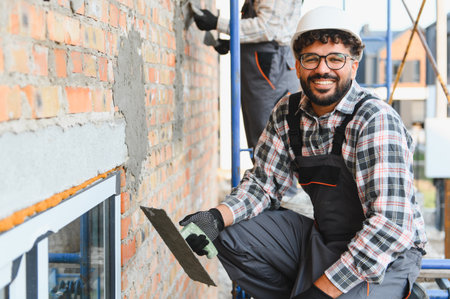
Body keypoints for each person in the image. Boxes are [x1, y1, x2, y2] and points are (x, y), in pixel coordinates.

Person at [180, 6, 427, 299]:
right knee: (230, 234)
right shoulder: (287, 112)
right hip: (325, 239)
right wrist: (216, 217)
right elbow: (263, 184)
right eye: (311, 59)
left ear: (354, 65)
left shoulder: (374, 119)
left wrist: (322, 293)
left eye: (336, 59)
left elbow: (390, 227)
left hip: (387, 256)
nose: (323, 69)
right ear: (297, 65)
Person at [192, 0, 303, 152]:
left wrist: (217, 23)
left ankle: (269, 175)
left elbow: (267, 27)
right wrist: (234, 43)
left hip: (272, 69)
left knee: (268, 136)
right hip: (265, 66)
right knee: (258, 136)